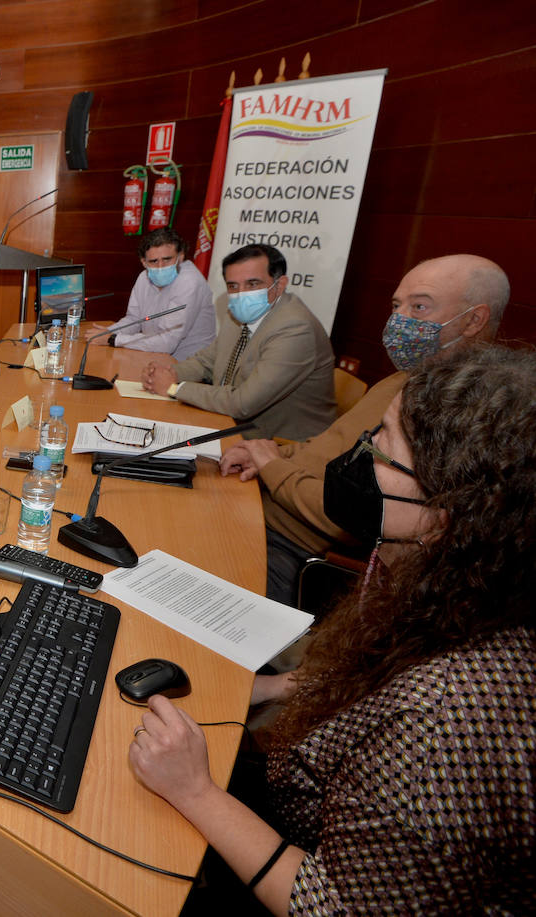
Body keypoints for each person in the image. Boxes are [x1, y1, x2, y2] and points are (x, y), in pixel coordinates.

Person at [130, 345, 536, 914]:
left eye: (382, 445)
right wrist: (274, 688)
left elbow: (333, 904)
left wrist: (195, 792)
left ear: (444, 515)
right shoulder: (455, 587)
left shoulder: (438, 730)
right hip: (313, 798)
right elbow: (375, 686)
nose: (360, 451)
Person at [219, 254, 508, 605]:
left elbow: (352, 514)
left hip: (294, 551)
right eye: (396, 306)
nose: (398, 320)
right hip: (263, 508)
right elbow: (330, 446)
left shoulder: (455, 414)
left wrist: (273, 466)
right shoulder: (402, 379)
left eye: (419, 307)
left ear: (474, 320)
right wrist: (267, 452)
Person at [141, 244, 335, 441]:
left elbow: (243, 404)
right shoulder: (239, 313)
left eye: (253, 284)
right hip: (227, 422)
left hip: (278, 444)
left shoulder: (295, 329)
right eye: (233, 286)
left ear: (280, 285)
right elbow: (206, 362)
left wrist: (174, 388)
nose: (241, 294)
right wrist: (166, 374)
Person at [90, 227, 215, 360]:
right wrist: (109, 332)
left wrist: (113, 339)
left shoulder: (189, 282)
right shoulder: (144, 277)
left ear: (181, 256)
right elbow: (133, 320)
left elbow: (167, 342)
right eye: (154, 261)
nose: (160, 267)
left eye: (167, 259)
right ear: (144, 262)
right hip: (153, 355)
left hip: (190, 364)